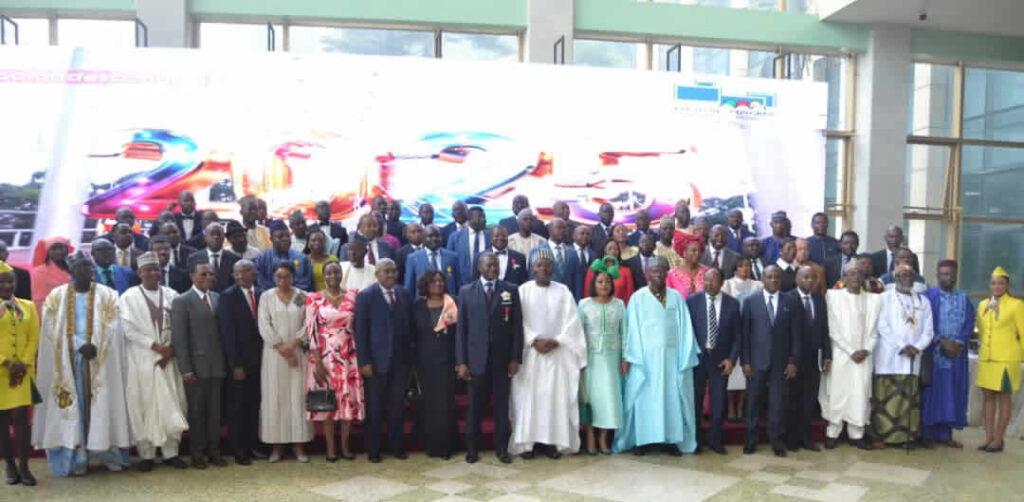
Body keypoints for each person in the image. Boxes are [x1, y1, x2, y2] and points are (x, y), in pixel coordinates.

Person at [33, 253, 131, 476]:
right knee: (74, 406)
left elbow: (114, 324)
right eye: (82, 267)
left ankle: (107, 452)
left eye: (90, 267)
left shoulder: (108, 295)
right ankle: (78, 457)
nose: (88, 271)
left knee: (102, 404)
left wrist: (94, 345)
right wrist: (78, 345)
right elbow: (50, 328)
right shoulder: (56, 297)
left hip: (101, 358)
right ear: (72, 271)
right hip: (69, 361)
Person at [613, 256, 699, 456]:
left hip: (672, 360)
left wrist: (684, 356)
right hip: (645, 361)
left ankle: (671, 440)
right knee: (644, 398)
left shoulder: (676, 297)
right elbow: (632, 330)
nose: (658, 274)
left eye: (662, 270)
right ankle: (643, 441)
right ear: (647, 274)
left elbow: (685, 328)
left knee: (672, 399)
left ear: (667, 273)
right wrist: (633, 357)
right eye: (654, 271)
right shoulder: (638, 298)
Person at [510, 250, 587, 459]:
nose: (543, 269)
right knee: (529, 399)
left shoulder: (563, 291)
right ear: (532, 268)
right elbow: (517, 322)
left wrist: (558, 340)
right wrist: (534, 340)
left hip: (557, 353)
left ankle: (552, 442)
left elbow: (572, 321)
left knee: (554, 399)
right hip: (530, 355)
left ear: (553, 268)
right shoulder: (523, 291)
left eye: (547, 265)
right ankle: (527, 444)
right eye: (539, 265)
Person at [117, 252, 188, 472]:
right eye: (148, 269)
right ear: (139, 273)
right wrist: (155, 347)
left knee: (172, 402)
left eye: (156, 269)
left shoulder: (172, 295)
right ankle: (146, 454)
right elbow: (128, 329)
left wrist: (170, 349)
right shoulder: (129, 297)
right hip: (143, 358)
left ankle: (171, 452)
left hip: (169, 359)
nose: (153, 273)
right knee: (143, 404)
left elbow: (181, 326)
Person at [456, 253, 523, 464]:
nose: (493, 268)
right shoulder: (466, 291)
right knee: (474, 407)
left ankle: (502, 448)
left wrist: (515, 358)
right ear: (479, 267)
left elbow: (517, 327)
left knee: (502, 408)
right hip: (476, 361)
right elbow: (461, 330)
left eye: (495, 265)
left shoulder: (510, 290)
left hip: (502, 361)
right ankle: (472, 449)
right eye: (489, 265)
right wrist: (461, 362)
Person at [354, 259, 413, 463]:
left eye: (393, 271)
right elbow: (360, 332)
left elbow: (409, 327)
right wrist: (364, 362)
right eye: (386, 271)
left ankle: (397, 447)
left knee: (397, 407)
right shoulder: (365, 296)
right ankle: (373, 449)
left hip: (401, 362)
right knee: (375, 408)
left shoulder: (404, 294)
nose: (391, 274)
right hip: (375, 363)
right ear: (377, 274)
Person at [171, 260, 227, 469]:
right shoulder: (182, 301)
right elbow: (179, 338)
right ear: (192, 277)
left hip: (217, 365)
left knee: (215, 413)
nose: (208, 277)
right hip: (195, 367)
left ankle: (215, 452)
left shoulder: (218, 298)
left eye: (211, 274)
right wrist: (186, 369)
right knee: (197, 413)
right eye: (203, 274)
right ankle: (197, 453)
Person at [820, 262, 881, 450]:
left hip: (863, 356)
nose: (855, 277)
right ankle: (833, 433)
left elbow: (875, 331)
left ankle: (857, 435)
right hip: (841, 353)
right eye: (851, 273)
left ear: (864, 278)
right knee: (838, 393)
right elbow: (832, 328)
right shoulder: (833, 297)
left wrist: (866, 349)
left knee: (860, 394)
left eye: (859, 273)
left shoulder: (874, 300)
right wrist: (850, 350)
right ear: (844, 278)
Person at [871, 264, 934, 448]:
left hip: (913, 357)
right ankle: (883, 436)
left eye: (910, 276)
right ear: (895, 278)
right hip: (889, 356)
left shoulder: (923, 301)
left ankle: (908, 437)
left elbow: (929, 331)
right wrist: (902, 346)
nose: (907, 279)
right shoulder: (884, 298)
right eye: (902, 276)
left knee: (909, 399)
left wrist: (917, 347)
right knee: (886, 399)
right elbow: (882, 326)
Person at [307, 261, 363, 461]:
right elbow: (311, 331)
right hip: (324, 358)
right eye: (328, 273)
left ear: (342, 274)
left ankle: (345, 445)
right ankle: (330, 447)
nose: (333, 276)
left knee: (347, 401)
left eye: (336, 272)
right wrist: (316, 361)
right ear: (323, 276)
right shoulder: (314, 298)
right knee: (327, 403)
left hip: (348, 355)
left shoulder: (353, 296)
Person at [741, 265, 800, 457]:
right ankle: (751, 441)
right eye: (769, 277)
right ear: (762, 279)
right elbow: (745, 335)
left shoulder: (790, 301)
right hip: (755, 363)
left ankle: (776, 441)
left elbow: (796, 335)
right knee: (753, 403)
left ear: (780, 279)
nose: (773, 280)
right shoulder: (750, 301)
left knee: (777, 404)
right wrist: (746, 362)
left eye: (776, 277)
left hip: (780, 364)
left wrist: (793, 361)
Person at [257, 262, 313, 462]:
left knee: (298, 399)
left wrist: (294, 344)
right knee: (275, 399)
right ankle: (276, 447)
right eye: (279, 276)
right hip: (274, 355)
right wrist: (282, 348)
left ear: (293, 277)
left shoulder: (302, 296)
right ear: (273, 278)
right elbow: (264, 325)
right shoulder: (267, 297)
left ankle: (299, 446)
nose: (282, 280)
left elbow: (309, 323)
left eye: (287, 276)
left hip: (298, 354)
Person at [217, 260, 267, 465]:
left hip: (260, 360)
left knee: (254, 405)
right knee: (237, 408)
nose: (239, 276)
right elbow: (227, 334)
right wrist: (236, 364)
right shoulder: (227, 296)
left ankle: (253, 445)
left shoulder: (263, 294)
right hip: (239, 363)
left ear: (254, 273)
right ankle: (239, 450)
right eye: (236, 273)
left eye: (244, 271)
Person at [920, 260, 973, 449]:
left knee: (952, 394)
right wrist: (941, 341)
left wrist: (958, 343)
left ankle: (945, 435)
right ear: (937, 275)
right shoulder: (928, 297)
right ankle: (926, 434)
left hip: (956, 355)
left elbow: (969, 323)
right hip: (934, 354)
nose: (947, 278)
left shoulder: (963, 298)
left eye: (951, 274)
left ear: (956, 275)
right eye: (944, 274)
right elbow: (924, 323)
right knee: (932, 393)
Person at [687, 268, 740, 455]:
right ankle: (695, 440)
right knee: (696, 401)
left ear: (722, 282)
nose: (709, 284)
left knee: (718, 402)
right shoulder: (692, 301)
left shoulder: (732, 304)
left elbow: (738, 336)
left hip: (720, 361)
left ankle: (716, 440)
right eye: (706, 280)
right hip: (697, 359)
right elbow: (686, 331)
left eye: (713, 280)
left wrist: (731, 359)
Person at [975, 266, 1023, 453]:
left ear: (1007, 285)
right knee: (987, 397)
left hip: (1006, 359)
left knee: (1004, 397)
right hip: (987, 358)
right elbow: (981, 330)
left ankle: (998, 439)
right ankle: (988, 437)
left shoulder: (1016, 305)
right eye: (993, 283)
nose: (997, 286)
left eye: (1001, 283)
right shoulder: (982, 305)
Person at [411, 270, 458, 459]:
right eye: (434, 281)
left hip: (447, 362)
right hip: (424, 363)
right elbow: (412, 334)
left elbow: (459, 334)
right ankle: (431, 445)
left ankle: (446, 447)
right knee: (429, 405)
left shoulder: (452, 303)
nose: (438, 284)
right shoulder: (417, 306)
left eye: (441, 281)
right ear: (426, 285)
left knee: (445, 404)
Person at [578, 270, 626, 456]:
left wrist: (624, 358)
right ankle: (590, 437)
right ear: (593, 284)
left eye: (607, 281)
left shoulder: (619, 304)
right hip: (590, 359)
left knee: (609, 398)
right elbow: (578, 333)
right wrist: (579, 359)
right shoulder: (584, 304)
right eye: (600, 281)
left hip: (612, 358)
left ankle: (603, 438)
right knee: (591, 398)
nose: (604, 285)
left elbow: (625, 332)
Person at [0, 261, 39, 486]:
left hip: (23, 372)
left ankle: (24, 465)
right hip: (1, 372)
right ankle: (9, 465)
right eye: (2, 282)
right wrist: (7, 363)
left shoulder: (28, 306)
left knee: (22, 419)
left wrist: (23, 363)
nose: (7, 285)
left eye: (10, 281)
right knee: (2, 421)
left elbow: (34, 337)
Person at [785, 266, 831, 452]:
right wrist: (790, 359)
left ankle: (805, 438)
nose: (810, 280)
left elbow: (824, 329)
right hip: (793, 360)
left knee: (808, 400)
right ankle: (791, 440)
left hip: (814, 358)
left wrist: (827, 354)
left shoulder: (819, 299)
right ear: (797, 278)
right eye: (806, 277)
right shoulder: (787, 298)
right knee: (792, 400)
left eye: (813, 277)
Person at [721, 256, 761, 423]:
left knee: (747, 370)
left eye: (747, 266)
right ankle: (731, 406)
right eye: (741, 266)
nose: (745, 269)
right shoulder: (727, 284)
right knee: (733, 371)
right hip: (733, 332)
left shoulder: (758, 285)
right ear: (735, 268)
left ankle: (741, 407)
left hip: (752, 331)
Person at [528, 218, 580, 299]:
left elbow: (577, 280)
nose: (562, 231)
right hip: (544, 296)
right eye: (559, 228)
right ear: (549, 229)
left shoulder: (572, 253)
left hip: (566, 298)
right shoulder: (536, 251)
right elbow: (532, 277)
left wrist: (577, 300)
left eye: (564, 228)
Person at [254, 221, 313, 292]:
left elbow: (306, 283)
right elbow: (260, 283)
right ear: (271, 239)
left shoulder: (301, 258)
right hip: (269, 297)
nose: (285, 239)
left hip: (297, 296)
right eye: (280, 236)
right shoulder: (262, 259)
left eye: (288, 236)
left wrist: (290, 294)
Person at [404, 225, 459, 294]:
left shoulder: (452, 257)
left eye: (437, 236)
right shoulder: (412, 259)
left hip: (448, 299)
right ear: (423, 238)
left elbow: (459, 283)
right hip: (423, 299)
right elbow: (409, 286)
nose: (434, 239)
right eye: (430, 236)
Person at [186, 222, 239, 293]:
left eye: (219, 234)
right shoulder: (194, 259)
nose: (216, 237)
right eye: (212, 234)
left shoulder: (234, 259)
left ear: (224, 238)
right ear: (205, 238)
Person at [447, 206, 489, 287]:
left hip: (486, 285)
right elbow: (449, 261)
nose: (484, 220)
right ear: (470, 219)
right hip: (462, 285)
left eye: (484, 217)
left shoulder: (490, 236)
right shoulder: (455, 237)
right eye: (480, 217)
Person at [30, 237, 72, 315]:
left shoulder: (74, 268)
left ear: (67, 249)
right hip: (52, 315)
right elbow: (39, 301)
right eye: (54, 248)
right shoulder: (40, 272)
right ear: (48, 252)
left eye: (61, 248)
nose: (58, 251)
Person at [584, 241, 636, 306]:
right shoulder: (593, 269)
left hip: (618, 308)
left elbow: (629, 295)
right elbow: (587, 292)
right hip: (595, 308)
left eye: (616, 249)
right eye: (609, 248)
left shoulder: (626, 271)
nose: (613, 251)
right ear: (604, 251)